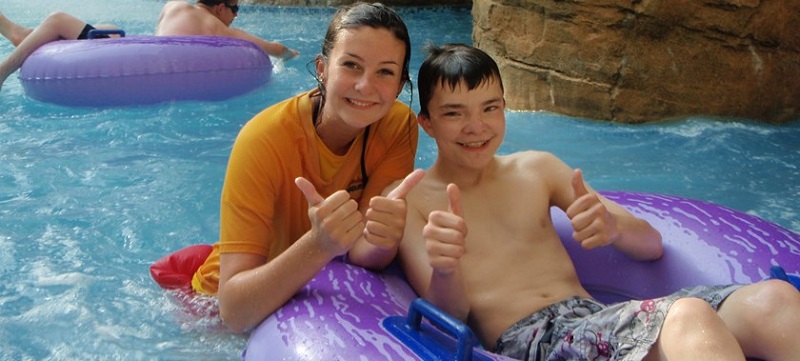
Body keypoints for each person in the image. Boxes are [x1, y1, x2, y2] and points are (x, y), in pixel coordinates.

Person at [394, 43, 800, 360]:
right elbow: (449, 319)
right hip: (532, 340)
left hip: (593, 318)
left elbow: (651, 245)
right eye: (454, 114)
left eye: (490, 108)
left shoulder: (537, 168)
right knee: (688, 317)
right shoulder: (413, 198)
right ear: (426, 121)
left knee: (774, 301)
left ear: (504, 107)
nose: (476, 127)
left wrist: (613, 227)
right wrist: (447, 267)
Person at [180, 2, 421, 333]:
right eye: (351, 65)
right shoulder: (263, 140)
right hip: (216, 312)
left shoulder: (398, 125)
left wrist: (384, 239)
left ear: (400, 84)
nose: (366, 86)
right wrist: (318, 245)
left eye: (385, 72)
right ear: (322, 68)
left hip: (312, 290)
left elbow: (366, 254)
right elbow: (233, 314)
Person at [0, 0, 298, 91]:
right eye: (235, 9)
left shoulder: (175, 5)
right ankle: (3, 70)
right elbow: (265, 46)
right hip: (133, 62)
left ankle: (21, 33)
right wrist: (288, 53)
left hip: (129, 52)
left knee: (102, 28)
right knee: (57, 18)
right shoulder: (213, 24)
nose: (235, 16)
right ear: (220, 7)